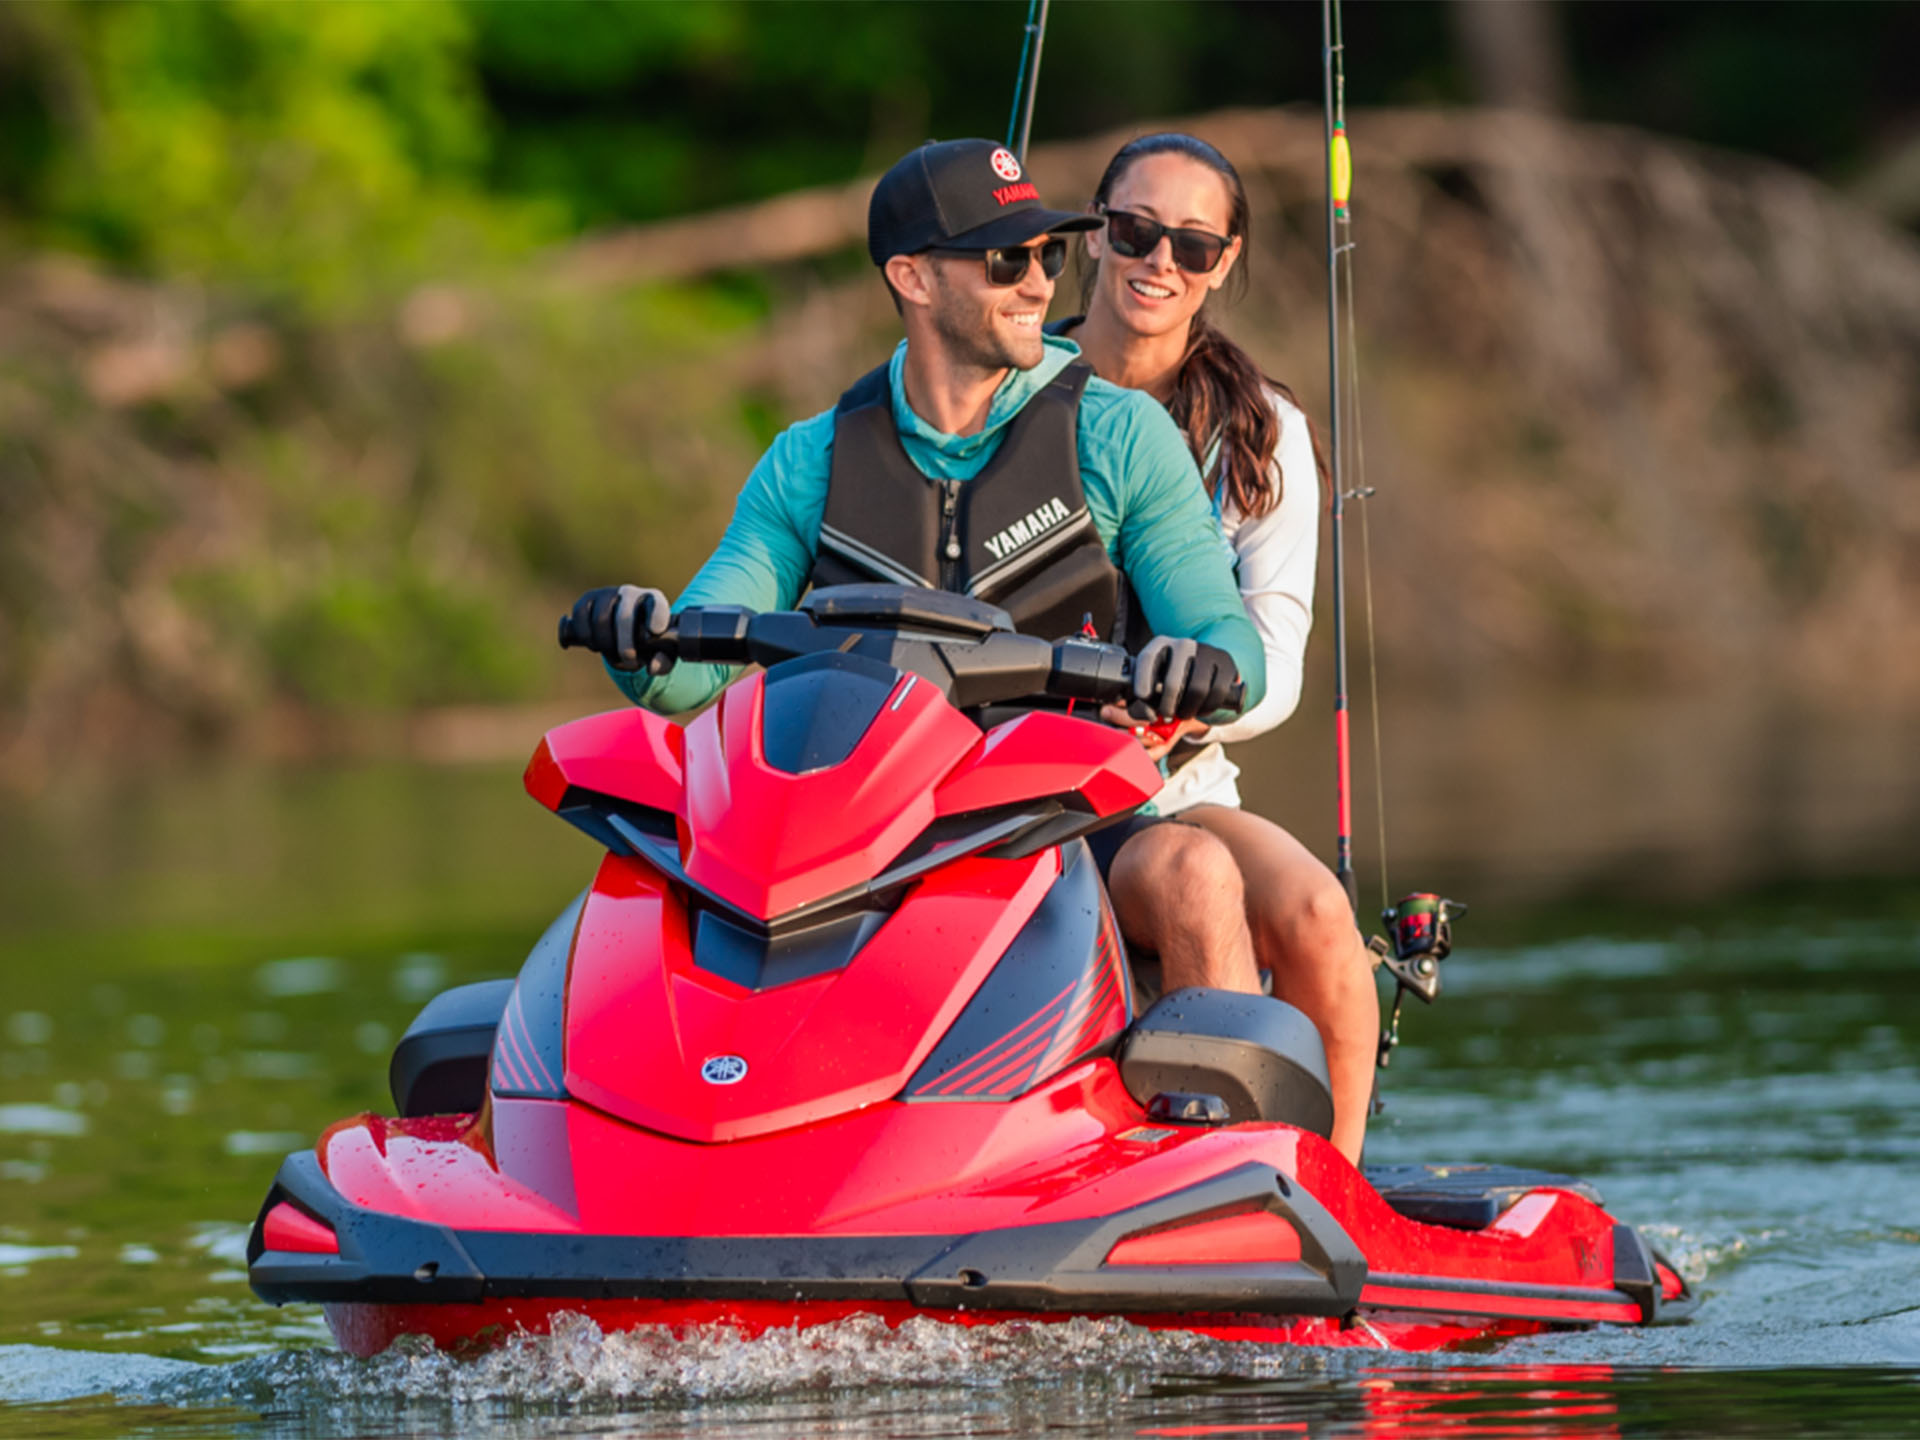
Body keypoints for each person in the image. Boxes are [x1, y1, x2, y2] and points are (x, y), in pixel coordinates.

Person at [564, 137, 1268, 997]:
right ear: (913, 278)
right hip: (856, 843)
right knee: (620, 902)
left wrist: (1200, 664)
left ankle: (1232, 1125)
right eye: (1008, 261)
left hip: (1067, 827)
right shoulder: (808, 460)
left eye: (1047, 256)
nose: (1042, 287)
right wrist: (639, 643)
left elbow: (1234, 645)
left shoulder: (1120, 436)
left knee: (1195, 873)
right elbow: (696, 670)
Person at [1058, 133, 1379, 1164]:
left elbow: (1274, 661)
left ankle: (1331, 1191)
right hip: (1019, 778)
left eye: (1192, 247)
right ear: (1095, 233)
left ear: (1223, 262)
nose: (1160, 262)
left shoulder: (1260, 433)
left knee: (1318, 914)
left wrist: (1184, 707)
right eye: (1136, 231)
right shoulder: (1007, 398)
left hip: (1172, 774)